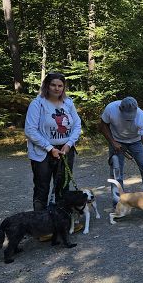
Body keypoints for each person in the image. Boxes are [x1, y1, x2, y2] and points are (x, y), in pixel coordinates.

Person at [25, 72, 82, 211]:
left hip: (65, 150)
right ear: (47, 86)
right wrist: (50, 148)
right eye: (53, 85)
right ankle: (41, 220)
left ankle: (62, 218)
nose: (57, 88)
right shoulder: (37, 104)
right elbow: (30, 130)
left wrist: (69, 144)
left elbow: (77, 125)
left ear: (64, 87)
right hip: (43, 152)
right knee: (42, 187)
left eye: (60, 86)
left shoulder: (68, 103)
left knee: (63, 187)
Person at [99, 96, 143, 208]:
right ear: (120, 109)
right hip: (116, 140)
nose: (129, 119)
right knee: (116, 171)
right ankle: (118, 203)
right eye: (127, 115)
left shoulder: (142, 118)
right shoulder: (111, 109)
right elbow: (102, 125)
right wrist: (113, 142)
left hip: (136, 141)